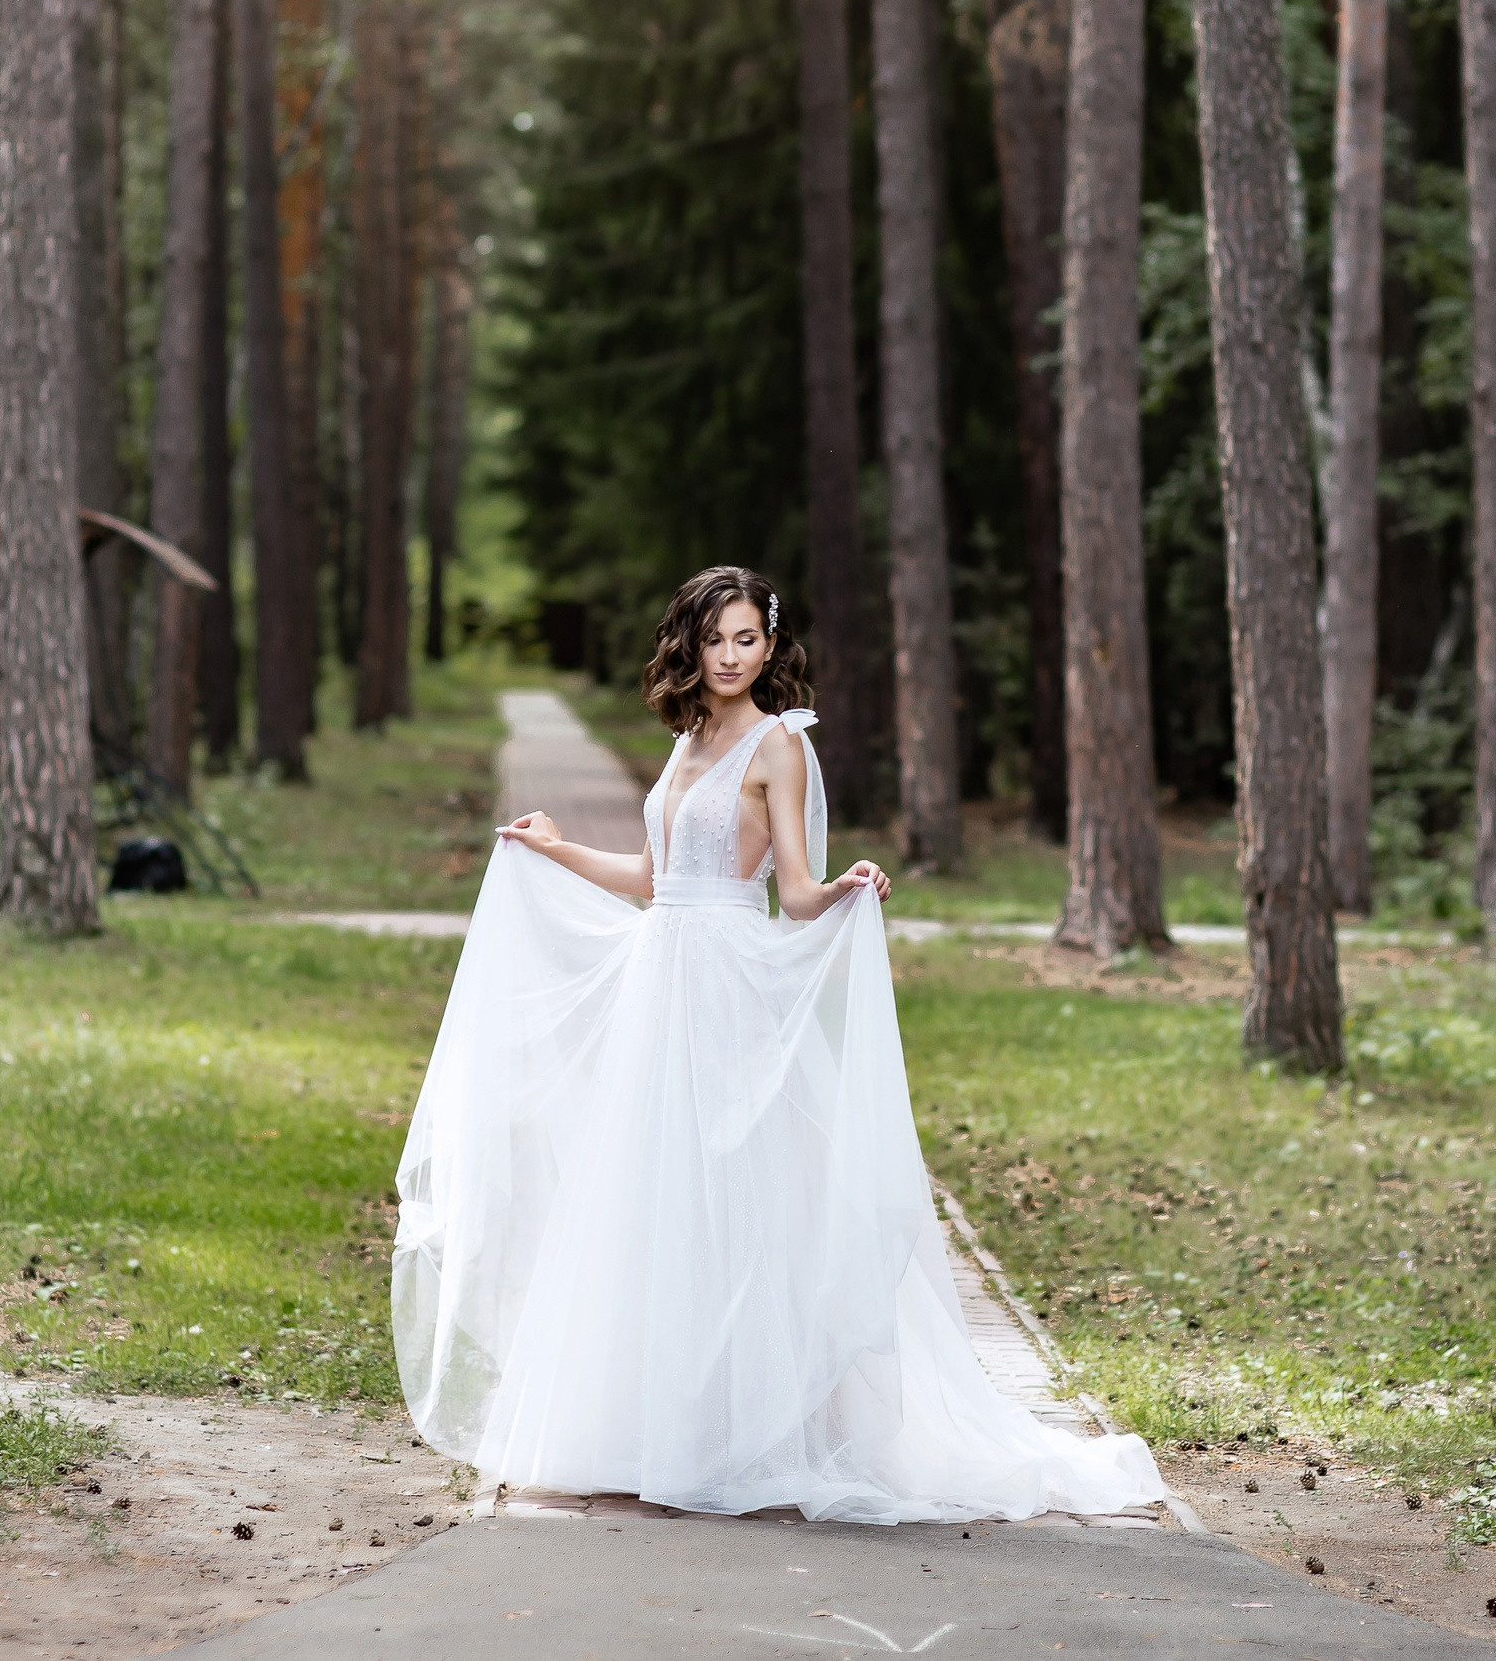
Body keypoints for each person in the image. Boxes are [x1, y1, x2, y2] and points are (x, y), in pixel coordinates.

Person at [392, 565, 1165, 1524]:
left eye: (746, 640)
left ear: (770, 646)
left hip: (724, 984)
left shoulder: (777, 746)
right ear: (691, 642)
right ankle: (646, 1425)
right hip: (657, 981)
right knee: (650, 1197)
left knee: (738, 1190)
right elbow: (651, 873)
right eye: (714, 639)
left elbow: (790, 890)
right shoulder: (687, 740)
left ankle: (746, 1426)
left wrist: (845, 887)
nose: (728, 657)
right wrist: (553, 848)